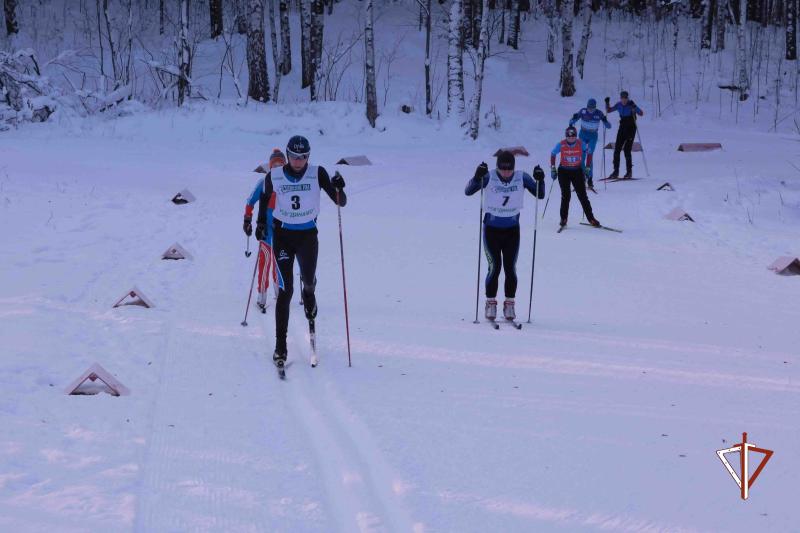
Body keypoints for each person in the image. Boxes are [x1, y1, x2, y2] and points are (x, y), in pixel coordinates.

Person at [254, 135, 347, 368]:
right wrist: (260, 223)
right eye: (294, 156)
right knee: (285, 292)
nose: (298, 161)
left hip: (307, 237)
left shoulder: (318, 173)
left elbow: (341, 202)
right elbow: (264, 198)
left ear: (309, 156)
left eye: (303, 156)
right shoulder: (273, 175)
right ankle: (280, 347)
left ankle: (309, 295)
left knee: (307, 282)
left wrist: (339, 188)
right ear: (287, 155)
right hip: (283, 236)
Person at [465, 151, 546, 321]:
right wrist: (477, 176)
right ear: (498, 167)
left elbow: (540, 194)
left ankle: (509, 304)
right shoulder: (489, 177)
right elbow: (469, 191)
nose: (506, 172)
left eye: (509, 169)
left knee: (510, 268)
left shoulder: (521, 177)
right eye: (502, 168)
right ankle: (491, 304)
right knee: (494, 267)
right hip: (491, 230)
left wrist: (540, 179)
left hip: (512, 231)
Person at [243, 149, 286, 313]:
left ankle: (280, 293)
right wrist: (247, 219)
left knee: (280, 263)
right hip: (266, 230)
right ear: (270, 166)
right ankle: (261, 295)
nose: (277, 167)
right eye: (274, 164)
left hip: (283, 230)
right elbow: (250, 201)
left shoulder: (287, 183)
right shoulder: (263, 183)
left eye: (280, 164)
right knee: (265, 262)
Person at [550, 125, 600, 228]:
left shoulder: (580, 143)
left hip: (577, 171)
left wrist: (587, 167)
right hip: (563, 171)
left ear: (576, 136)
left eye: (573, 136)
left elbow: (589, 153)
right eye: (569, 136)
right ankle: (563, 219)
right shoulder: (562, 144)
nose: (571, 138)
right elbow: (553, 154)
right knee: (566, 196)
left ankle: (591, 218)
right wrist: (553, 168)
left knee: (582, 196)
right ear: (566, 136)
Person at [568, 98, 611, 189]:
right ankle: (582, 177)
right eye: (589, 108)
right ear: (587, 107)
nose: (590, 110)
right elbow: (571, 122)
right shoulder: (583, 111)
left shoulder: (599, 113)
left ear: (595, 107)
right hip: (583, 135)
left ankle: (590, 178)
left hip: (593, 136)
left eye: (592, 108)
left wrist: (605, 120)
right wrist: (573, 119)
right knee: (581, 157)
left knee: (589, 156)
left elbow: (608, 126)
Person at [604, 91, 644, 179]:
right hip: (622, 128)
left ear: (627, 98)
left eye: (625, 98)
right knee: (617, 149)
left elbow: (641, 113)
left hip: (631, 128)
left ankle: (629, 172)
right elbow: (609, 110)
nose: (624, 100)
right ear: (620, 98)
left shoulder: (631, 104)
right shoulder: (618, 105)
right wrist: (607, 103)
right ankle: (616, 171)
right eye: (622, 98)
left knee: (627, 150)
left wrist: (634, 107)